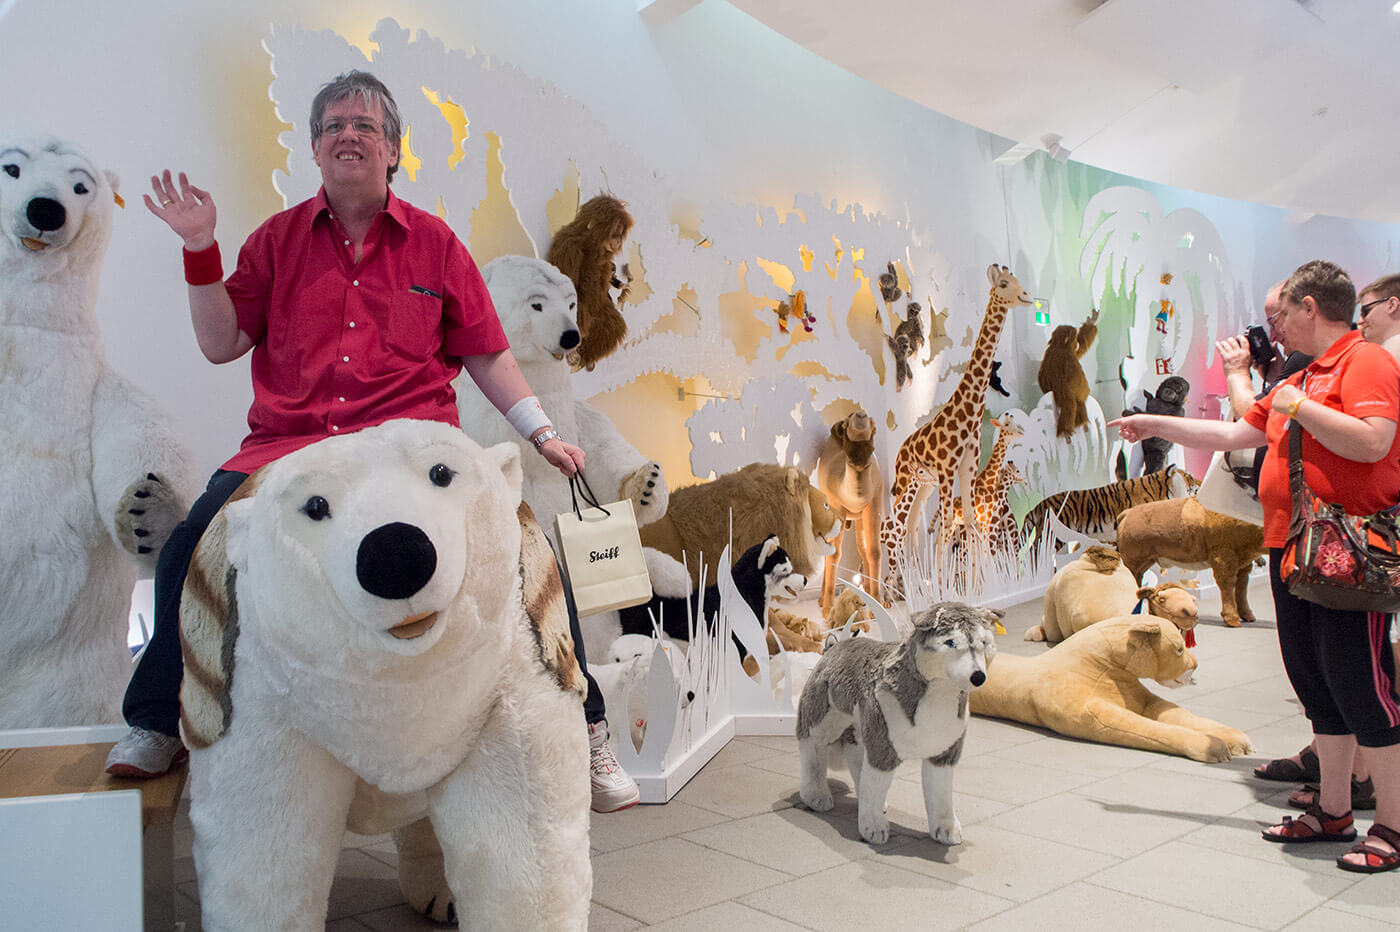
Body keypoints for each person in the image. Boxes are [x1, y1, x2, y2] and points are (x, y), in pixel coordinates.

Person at [105, 70, 639, 813]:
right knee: (190, 545)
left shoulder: (437, 245)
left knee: (528, 546)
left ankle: (588, 726)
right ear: (315, 150)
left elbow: (487, 354)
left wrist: (543, 433)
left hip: (411, 450)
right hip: (289, 449)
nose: (347, 135)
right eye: (332, 126)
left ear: (393, 150)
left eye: (364, 125)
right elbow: (220, 343)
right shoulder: (275, 241)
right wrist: (200, 247)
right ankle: (156, 721)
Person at [1110, 259, 1400, 873]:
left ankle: (1393, 828)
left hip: (1348, 555)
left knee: (1362, 689)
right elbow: (1235, 435)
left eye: (1282, 312)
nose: (1276, 325)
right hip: (1293, 549)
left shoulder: (1365, 361)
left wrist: (1298, 405)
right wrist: (1150, 423)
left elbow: (1375, 440)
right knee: (1317, 685)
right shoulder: (1309, 372)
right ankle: (1333, 810)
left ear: (1309, 307)